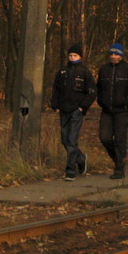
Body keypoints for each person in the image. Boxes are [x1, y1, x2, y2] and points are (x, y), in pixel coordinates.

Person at [49, 44, 97, 181]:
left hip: (76, 110)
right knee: (64, 139)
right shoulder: (63, 71)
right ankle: (80, 158)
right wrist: (55, 105)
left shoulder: (85, 72)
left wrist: (83, 107)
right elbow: (56, 89)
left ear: (80, 56)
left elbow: (92, 92)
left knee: (71, 139)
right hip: (63, 109)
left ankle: (70, 170)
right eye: (70, 55)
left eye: (75, 55)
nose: (72, 57)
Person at [96, 42, 128, 179]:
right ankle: (118, 159)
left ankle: (119, 167)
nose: (113, 56)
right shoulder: (104, 69)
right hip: (107, 110)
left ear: (121, 55)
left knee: (120, 138)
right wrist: (100, 100)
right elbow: (99, 87)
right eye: (111, 54)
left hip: (123, 110)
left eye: (116, 54)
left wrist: (127, 101)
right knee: (104, 137)